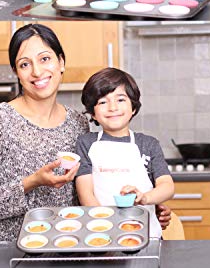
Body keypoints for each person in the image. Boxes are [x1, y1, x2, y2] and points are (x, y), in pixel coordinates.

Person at [0, 24, 172, 242]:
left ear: (61, 62)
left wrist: (144, 207)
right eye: (25, 64)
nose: (37, 71)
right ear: (16, 72)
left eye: (45, 59)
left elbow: (90, 191)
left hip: (71, 246)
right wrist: (32, 182)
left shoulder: (77, 123)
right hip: (11, 251)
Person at [75, 68, 175, 238]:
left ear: (133, 107)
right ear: (93, 113)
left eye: (120, 99)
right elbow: (86, 195)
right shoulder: (86, 143)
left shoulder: (148, 144)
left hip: (147, 237)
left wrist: (145, 198)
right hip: (103, 235)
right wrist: (104, 228)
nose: (113, 107)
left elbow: (167, 186)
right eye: (102, 102)